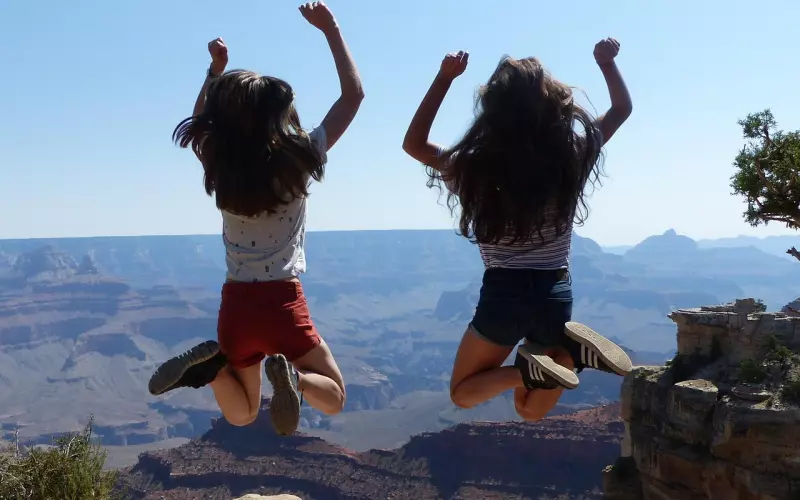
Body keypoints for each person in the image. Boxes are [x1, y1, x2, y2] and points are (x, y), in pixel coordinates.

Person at [147, 1, 364, 437]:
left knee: (242, 413)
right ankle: (296, 380)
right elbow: (352, 96)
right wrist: (331, 29)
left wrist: (214, 72)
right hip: (282, 302)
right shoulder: (300, 158)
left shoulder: (219, 163)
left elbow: (201, 121)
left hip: (237, 307)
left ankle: (212, 371)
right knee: (336, 395)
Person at [402, 38, 633, 420]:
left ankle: (537, 367)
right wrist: (606, 64)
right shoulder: (570, 156)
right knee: (528, 409)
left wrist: (444, 78)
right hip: (555, 291)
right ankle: (568, 357)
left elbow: (414, 144)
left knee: (463, 393)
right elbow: (621, 109)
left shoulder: (474, 166)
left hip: (506, 295)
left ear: (494, 110)